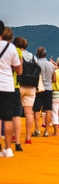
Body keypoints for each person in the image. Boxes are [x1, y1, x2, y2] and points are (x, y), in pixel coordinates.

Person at [0, 22, 23, 157]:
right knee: (7, 117)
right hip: (8, 86)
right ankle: (8, 148)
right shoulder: (11, 48)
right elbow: (19, 70)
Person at [32, 47, 56, 137]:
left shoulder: (36, 64)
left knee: (36, 109)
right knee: (48, 109)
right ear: (45, 54)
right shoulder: (51, 65)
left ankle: (37, 130)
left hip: (39, 88)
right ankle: (46, 131)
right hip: (49, 88)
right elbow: (54, 79)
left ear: (37, 54)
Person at [12, 37, 26, 151]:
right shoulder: (18, 53)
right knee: (16, 114)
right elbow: (19, 70)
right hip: (16, 85)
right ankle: (17, 142)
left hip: (3, 84)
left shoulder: (12, 50)